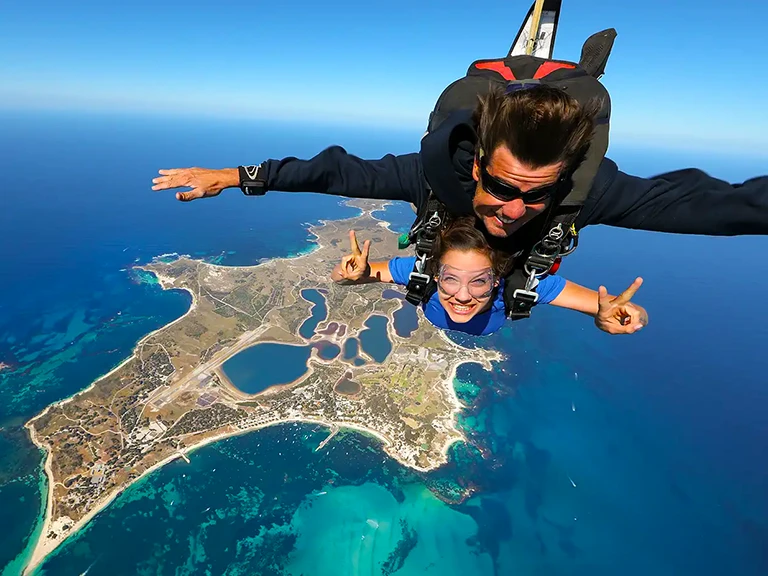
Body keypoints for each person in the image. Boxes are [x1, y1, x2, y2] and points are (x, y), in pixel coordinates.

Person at [151, 83, 768, 317]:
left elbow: (714, 207)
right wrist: (235, 175)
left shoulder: (586, 194)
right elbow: (336, 173)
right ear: (475, 167)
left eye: (537, 195)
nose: (515, 210)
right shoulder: (429, 178)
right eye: (500, 188)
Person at [331, 218, 647, 337]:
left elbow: (619, 310)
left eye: (479, 281)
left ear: (497, 280)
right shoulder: (419, 272)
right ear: (436, 275)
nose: (463, 296)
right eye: (450, 279)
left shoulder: (522, 287)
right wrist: (349, 274)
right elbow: (345, 278)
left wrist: (625, 316)